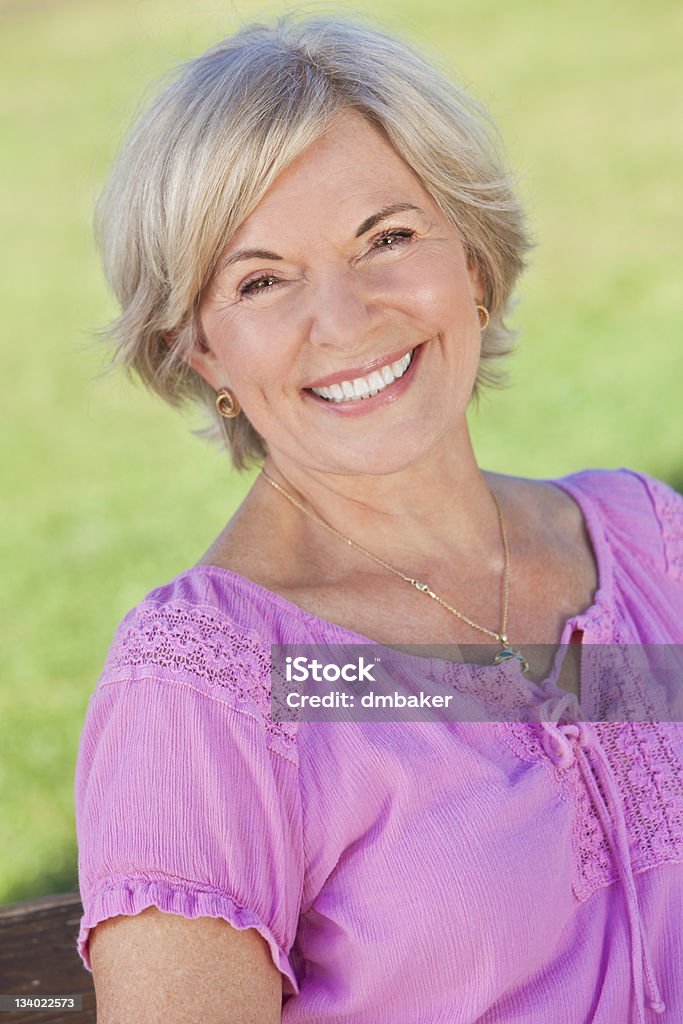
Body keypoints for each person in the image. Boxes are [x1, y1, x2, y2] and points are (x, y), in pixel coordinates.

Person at [74, 13, 683, 1024]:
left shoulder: (643, 542)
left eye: (386, 238)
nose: (347, 319)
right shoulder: (209, 686)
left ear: (473, 264)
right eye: (260, 280)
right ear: (203, 352)